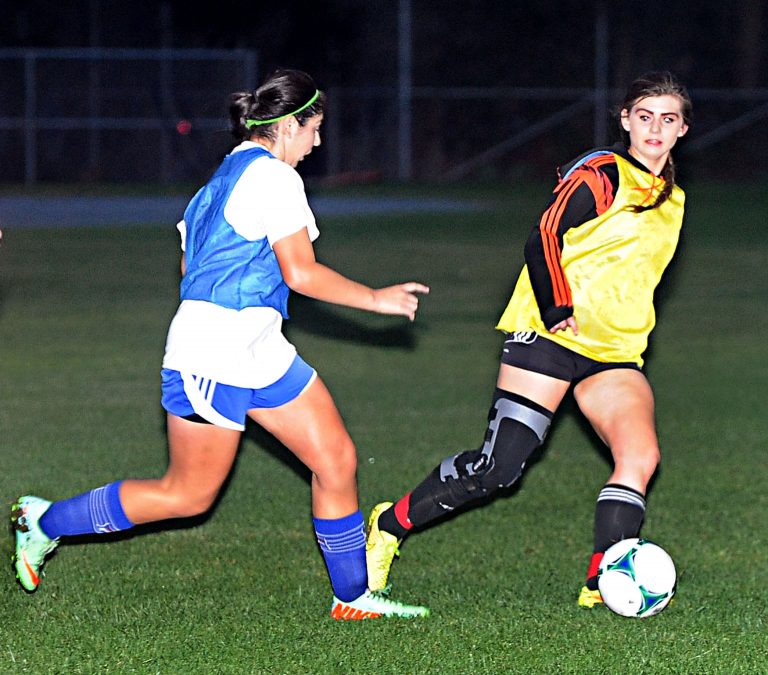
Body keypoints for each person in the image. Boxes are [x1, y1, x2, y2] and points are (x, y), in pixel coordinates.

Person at [12, 68, 430, 620]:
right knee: (187, 495)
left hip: (257, 347)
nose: (318, 143)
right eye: (314, 129)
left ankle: (352, 597)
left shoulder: (217, 183)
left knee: (335, 458)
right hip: (215, 355)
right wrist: (377, 299)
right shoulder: (275, 180)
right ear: (288, 126)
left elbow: (191, 268)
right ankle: (43, 521)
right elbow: (300, 274)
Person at [365, 71, 692, 609]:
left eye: (668, 119)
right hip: (550, 334)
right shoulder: (602, 175)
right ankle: (390, 524)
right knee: (499, 468)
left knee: (640, 456)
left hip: (615, 353)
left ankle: (601, 580)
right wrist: (558, 304)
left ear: (682, 129)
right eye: (645, 116)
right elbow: (543, 234)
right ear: (626, 120)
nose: (655, 128)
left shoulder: (673, 198)